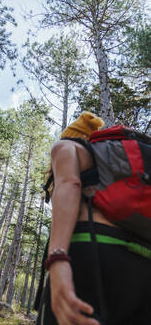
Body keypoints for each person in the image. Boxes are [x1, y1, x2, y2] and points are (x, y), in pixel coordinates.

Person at [36, 112, 151, 325]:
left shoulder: (67, 147)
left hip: (93, 253)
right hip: (144, 265)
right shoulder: (121, 166)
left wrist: (57, 258)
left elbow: (70, 183)